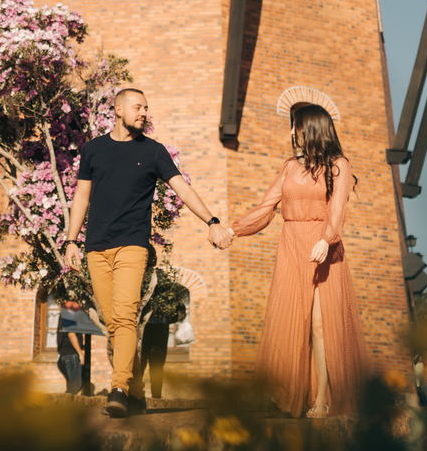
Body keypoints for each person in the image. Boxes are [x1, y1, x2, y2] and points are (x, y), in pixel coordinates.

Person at [64, 88, 227, 419]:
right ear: (118, 109)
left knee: (125, 317)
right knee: (114, 323)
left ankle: (119, 389)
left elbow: (182, 189)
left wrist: (212, 221)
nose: (143, 113)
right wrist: (71, 240)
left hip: (132, 245)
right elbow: (81, 196)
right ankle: (137, 393)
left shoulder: (153, 151)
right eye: (138, 107)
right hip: (96, 248)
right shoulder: (93, 149)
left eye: (146, 108)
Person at [221, 100, 372, 418]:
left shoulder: (338, 165)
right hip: (291, 246)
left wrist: (326, 239)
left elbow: (337, 210)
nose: (292, 132)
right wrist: (234, 230)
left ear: (312, 128)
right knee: (291, 322)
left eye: (296, 126)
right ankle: (287, 393)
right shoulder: (290, 167)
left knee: (319, 325)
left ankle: (322, 399)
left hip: (322, 248)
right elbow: (267, 207)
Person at [55, 302, 85, 395]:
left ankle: (64, 403)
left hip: (64, 356)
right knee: (75, 386)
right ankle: (62, 403)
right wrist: (80, 354)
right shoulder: (69, 317)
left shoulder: (62, 317)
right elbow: (71, 335)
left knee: (71, 385)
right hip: (71, 356)